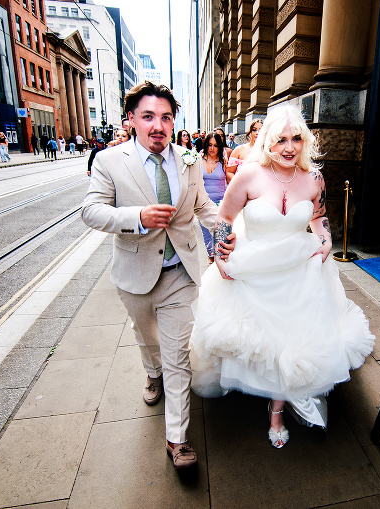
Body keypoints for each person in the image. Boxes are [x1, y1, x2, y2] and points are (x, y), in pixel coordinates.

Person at [190, 105, 375, 448]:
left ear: (305, 141)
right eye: (280, 140)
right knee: (264, 341)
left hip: (300, 269)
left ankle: (277, 407)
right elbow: (224, 217)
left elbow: (319, 216)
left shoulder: (314, 178)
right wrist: (220, 255)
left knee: (293, 337)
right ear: (266, 142)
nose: (289, 148)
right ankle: (271, 400)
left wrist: (326, 240)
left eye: (296, 139)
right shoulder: (249, 174)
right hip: (255, 271)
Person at [81, 81, 234, 469]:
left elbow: (203, 205)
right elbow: (91, 211)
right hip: (134, 272)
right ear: (131, 119)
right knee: (146, 337)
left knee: (178, 356)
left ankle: (177, 440)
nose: (158, 125)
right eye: (148, 116)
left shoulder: (189, 160)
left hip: (180, 271)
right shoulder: (109, 161)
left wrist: (224, 231)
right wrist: (137, 217)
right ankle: (152, 373)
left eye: (166, 117)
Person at [199, 132, 227, 263]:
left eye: (215, 145)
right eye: (210, 145)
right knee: (206, 234)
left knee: (220, 233)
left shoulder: (223, 161)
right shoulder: (199, 160)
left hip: (221, 202)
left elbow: (229, 180)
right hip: (203, 203)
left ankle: (219, 259)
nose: (212, 148)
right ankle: (211, 259)